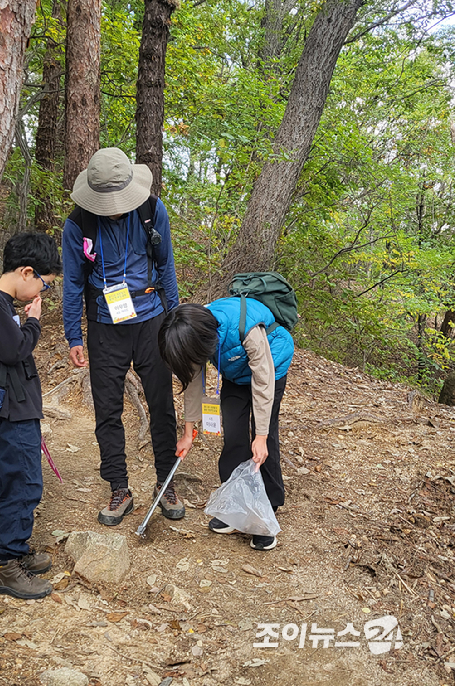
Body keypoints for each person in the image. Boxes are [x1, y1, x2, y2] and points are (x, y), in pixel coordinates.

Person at [62, 147, 185, 526]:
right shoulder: (78, 224)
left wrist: (175, 320)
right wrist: (73, 335)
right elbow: (72, 282)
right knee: (107, 410)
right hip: (104, 325)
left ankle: (165, 483)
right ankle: (119, 486)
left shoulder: (151, 211)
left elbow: (166, 267)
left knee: (161, 404)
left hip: (151, 320)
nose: (113, 207)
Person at [158, 296, 294, 551]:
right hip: (235, 373)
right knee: (233, 434)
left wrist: (261, 436)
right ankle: (234, 504)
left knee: (264, 441)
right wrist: (188, 433)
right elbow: (193, 383)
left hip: (271, 364)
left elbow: (263, 382)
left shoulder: (246, 329)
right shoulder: (194, 331)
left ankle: (267, 510)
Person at [0, 232, 62, 599]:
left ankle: (15, 550)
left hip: (17, 410)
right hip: (10, 414)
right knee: (21, 486)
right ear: (26, 272)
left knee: (23, 482)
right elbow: (15, 350)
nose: (43, 292)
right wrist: (34, 321)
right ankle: (6, 565)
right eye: (43, 284)